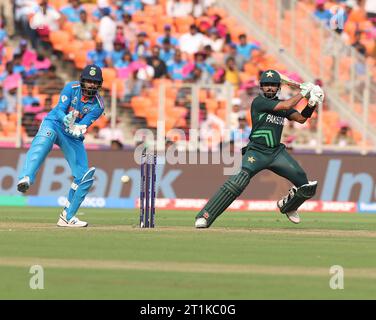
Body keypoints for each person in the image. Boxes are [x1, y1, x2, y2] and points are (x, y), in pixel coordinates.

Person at [195, 70, 324, 228]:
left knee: (306, 186)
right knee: (238, 181)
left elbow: (301, 119)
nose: (269, 88)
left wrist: (312, 103)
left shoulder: (283, 106)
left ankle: (288, 206)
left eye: (273, 85)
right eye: (266, 85)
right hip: (256, 152)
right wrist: (303, 93)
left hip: (276, 153)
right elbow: (286, 104)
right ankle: (205, 216)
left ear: (278, 88)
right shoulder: (259, 102)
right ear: (261, 88)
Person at [17, 64, 105, 228]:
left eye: (95, 82)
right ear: (82, 81)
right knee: (43, 140)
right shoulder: (71, 88)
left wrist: (78, 129)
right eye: (88, 81)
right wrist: (65, 118)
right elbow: (58, 110)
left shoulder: (98, 105)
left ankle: (67, 216)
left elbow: (84, 125)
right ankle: (26, 177)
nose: (91, 85)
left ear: (99, 84)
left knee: (84, 176)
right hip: (55, 123)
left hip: (71, 135)